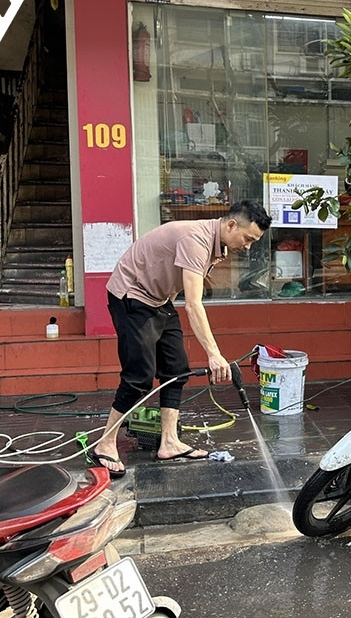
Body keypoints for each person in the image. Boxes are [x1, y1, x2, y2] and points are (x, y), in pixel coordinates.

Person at [88, 201, 271, 477]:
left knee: (176, 369)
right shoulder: (196, 240)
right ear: (231, 225)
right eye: (247, 239)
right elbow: (194, 304)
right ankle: (105, 443)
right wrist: (214, 353)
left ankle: (169, 442)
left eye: (254, 242)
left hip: (159, 298)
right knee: (139, 375)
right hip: (131, 294)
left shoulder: (216, 245)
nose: (248, 247)